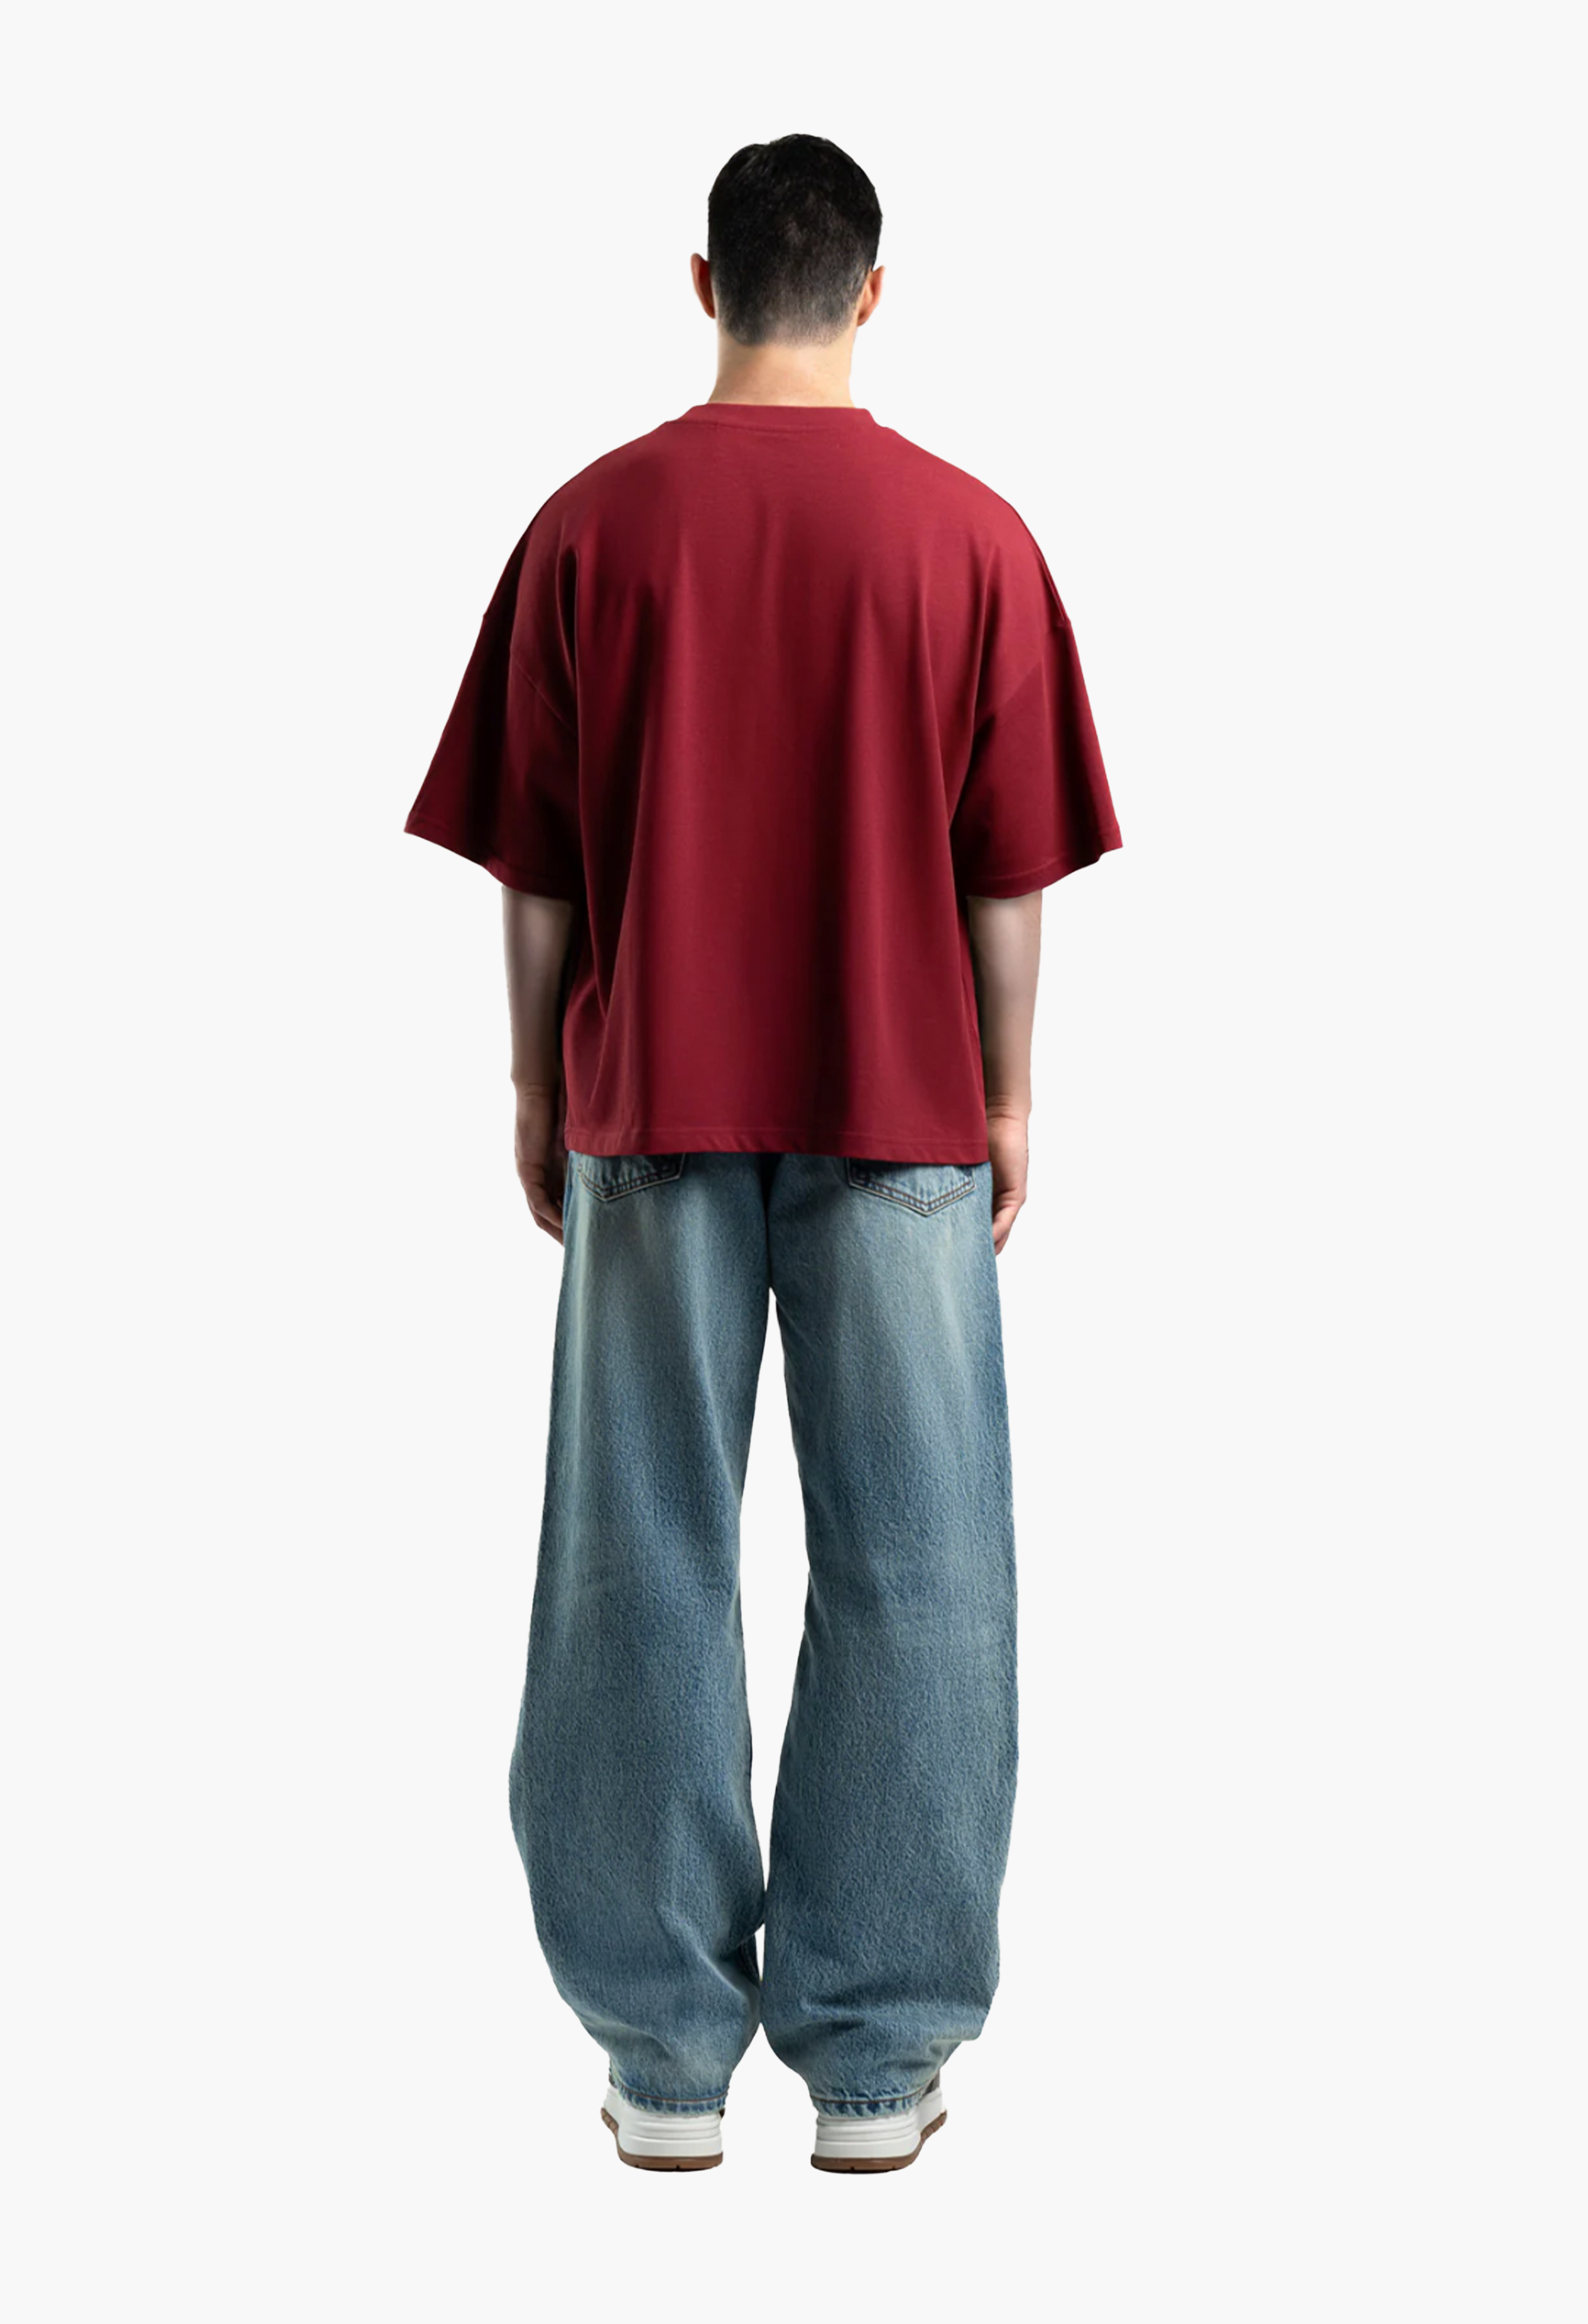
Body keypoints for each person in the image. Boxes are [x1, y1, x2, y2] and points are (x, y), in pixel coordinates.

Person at [404, 133, 1120, 2174]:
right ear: (872, 294)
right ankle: (880, 2064)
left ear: (704, 282)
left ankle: (660, 2062)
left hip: (650, 1098)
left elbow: (537, 871)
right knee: (924, 1557)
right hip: (902, 1103)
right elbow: (1006, 878)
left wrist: (535, 1088)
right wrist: (1007, 1092)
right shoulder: (971, 538)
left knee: (636, 1556)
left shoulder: (592, 527)